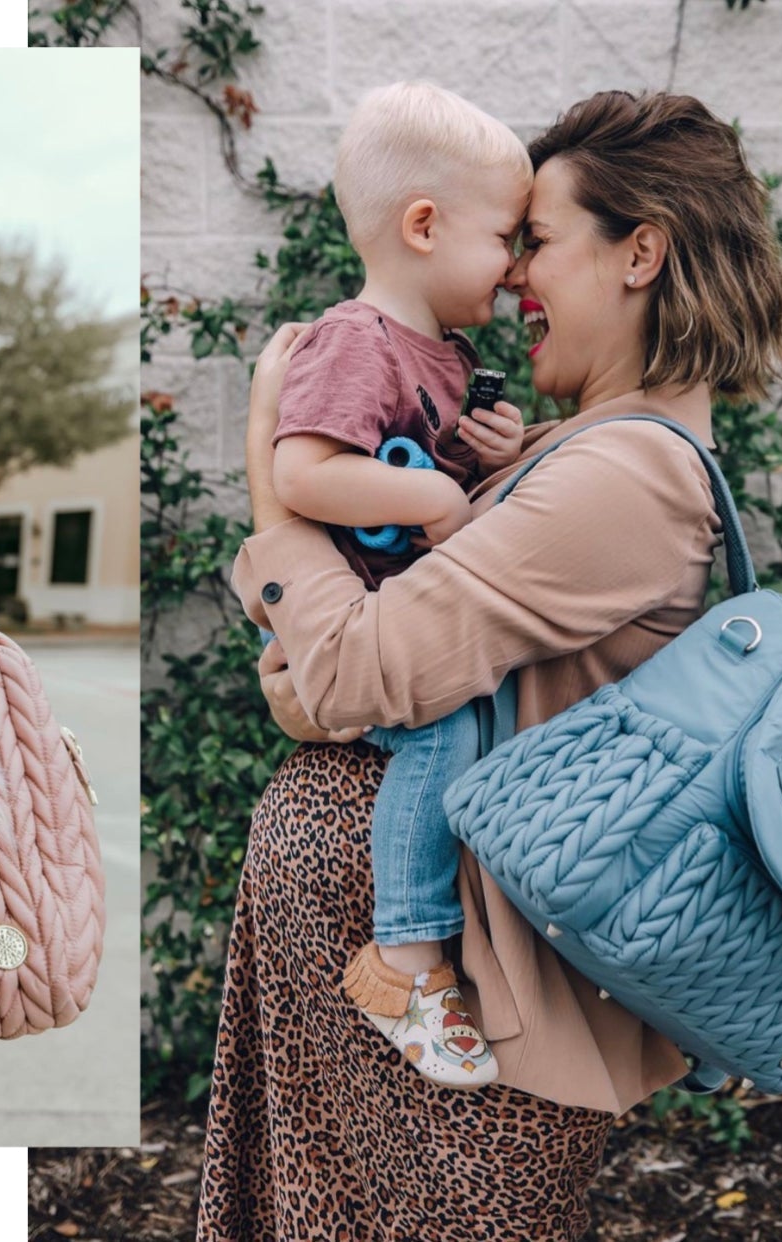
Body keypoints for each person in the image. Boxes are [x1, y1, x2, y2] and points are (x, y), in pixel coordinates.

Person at [196, 89, 782, 1239]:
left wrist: (276, 473)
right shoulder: (567, 449)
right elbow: (309, 685)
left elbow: (347, 676)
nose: (516, 274)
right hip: (410, 992)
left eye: (541, 240)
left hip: (468, 1011)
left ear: (641, 255)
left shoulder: (624, 478)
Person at [264, 81, 533, 1090]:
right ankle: (407, 959)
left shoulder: (450, 359)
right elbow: (302, 472)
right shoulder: (353, 341)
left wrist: (487, 453)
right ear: (424, 225)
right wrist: (427, 503)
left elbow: (439, 482)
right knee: (444, 731)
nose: (516, 270)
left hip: (404, 625)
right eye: (507, 237)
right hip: (353, 635)